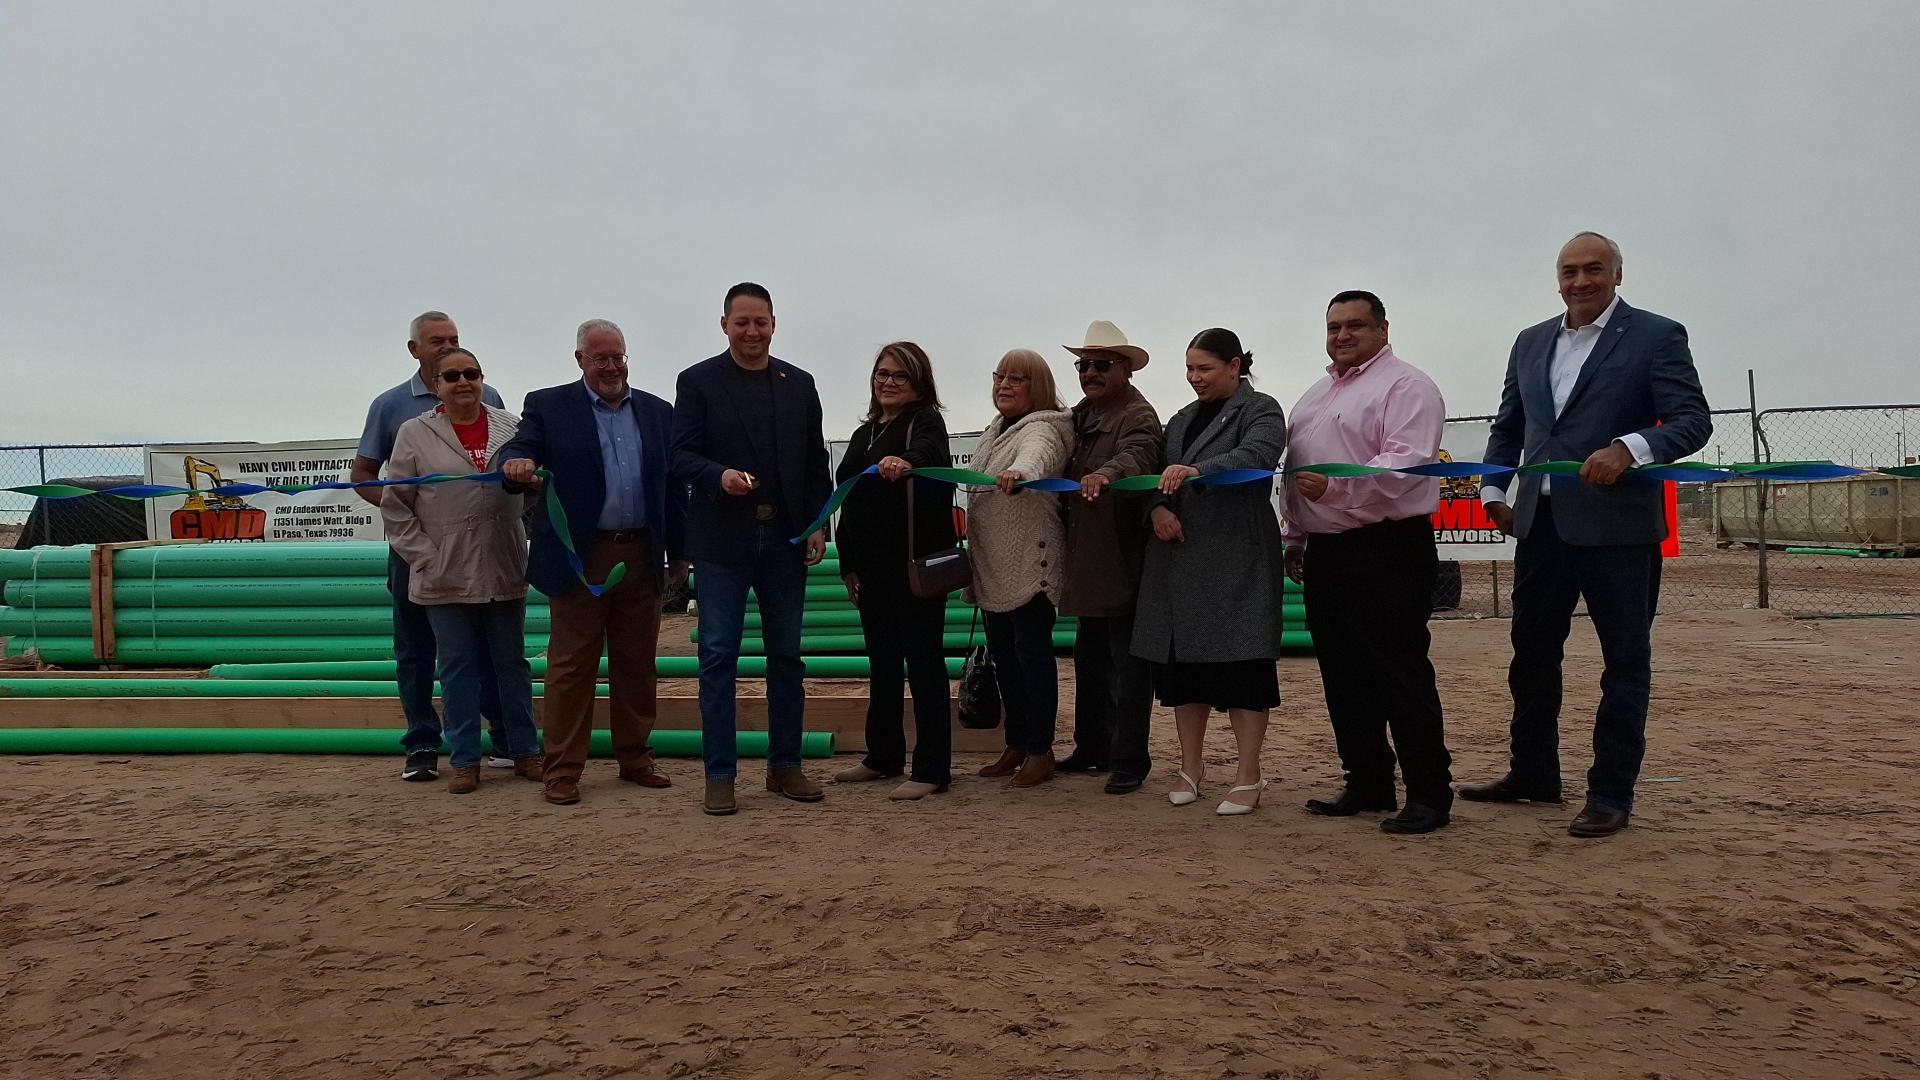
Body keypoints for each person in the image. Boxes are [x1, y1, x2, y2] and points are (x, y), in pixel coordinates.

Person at [1463, 232, 1711, 838]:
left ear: (1617, 275)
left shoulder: (1657, 335)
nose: (1581, 281)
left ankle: (1611, 793)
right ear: (1558, 279)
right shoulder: (1530, 342)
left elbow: (1692, 421)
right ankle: (1534, 774)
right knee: (1532, 656)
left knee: (1623, 661)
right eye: (1570, 271)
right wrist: (1495, 493)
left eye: (1594, 269)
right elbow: (1509, 426)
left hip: (1618, 529)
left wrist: (1630, 449)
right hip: (1541, 527)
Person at [1281, 292, 1454, 835]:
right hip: (1328, 548)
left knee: (1399, 670)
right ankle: (1368, 780)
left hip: (1388, 545)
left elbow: (1404, 465)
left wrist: (1335, 487)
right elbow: (1295, 471)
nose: (1342, 335)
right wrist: (1297, 533)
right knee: (1342, 672)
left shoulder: (1408, 387)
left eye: (1355, 325)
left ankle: (1429, 792)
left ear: (1383, 328)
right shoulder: (1315, 395)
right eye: (1334, 326)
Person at [499, 319, 688, 806]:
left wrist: (681, 554)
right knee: (570, 666)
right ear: (580, 359)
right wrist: (516, 464)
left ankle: (635, 758)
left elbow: (673, 490)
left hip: (642, 553)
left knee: (636, 663)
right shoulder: (548, 405)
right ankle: (561, 769)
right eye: (599, 357)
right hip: (580, 557)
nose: (610, 366)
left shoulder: (657, 412)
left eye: (617, 356)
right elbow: (521, 446)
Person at [669, 283, 834, 816]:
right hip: (722, 544)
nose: (752, 332)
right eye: (742, 322)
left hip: (784, 541)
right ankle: (720, 775)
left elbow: (815, 463)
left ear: (773, 324)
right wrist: (719, 477)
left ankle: (785, 767)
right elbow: (680, 456)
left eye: (760, 322)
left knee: (786, 657)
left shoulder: (799, 384)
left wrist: (817, 524)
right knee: (717, 658)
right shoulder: (696, 382)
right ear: (724, 325)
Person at [1132, 329, 1288, 815]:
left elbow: (1256, 457)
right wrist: (1158, 510)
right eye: (1189, 368)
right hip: (1179, 564)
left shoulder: (1262, 409)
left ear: (1235, 365)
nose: (1194, 378)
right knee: (1183, 673)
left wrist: (1197, 471)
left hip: (1237, 561)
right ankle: (1190, 767)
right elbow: (1155, 478)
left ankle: (1248, 775)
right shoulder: (1177, 420)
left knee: (1245, 668)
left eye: (1204, 368)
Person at [352, 311, 510, 782]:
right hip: (416, 549)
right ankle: (422, 743)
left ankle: (503, 736)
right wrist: (409, 514)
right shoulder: (390, 405)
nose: (447, 348)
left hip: (481, 549)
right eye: (437, 341)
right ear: (414, 349)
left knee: (486, 647)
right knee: (417, 646)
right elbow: (363, 475)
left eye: (456, 340)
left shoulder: (491, 397)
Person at [380, 349, 542, 794]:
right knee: (456, 666)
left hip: (502, 561)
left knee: (511, 664)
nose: (462, 383)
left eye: (471, 374)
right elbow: (396, 508)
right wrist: (426, 557)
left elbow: (531, 492)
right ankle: (466, 759)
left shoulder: (512, 427)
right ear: (436, 385)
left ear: (482, 378)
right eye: (451, 376)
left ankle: (526, 751)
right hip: (443, 571)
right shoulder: (414, 434)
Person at [831, 342, 957, 801]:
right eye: (882, 373)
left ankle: (932, 769)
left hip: (913, 567)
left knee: (924, 664)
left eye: (899, 376)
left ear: (919, 383)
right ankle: (882, 756)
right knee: (882, 665)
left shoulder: (925, 422)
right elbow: (846, 499)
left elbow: (927, 455)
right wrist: (848, 565)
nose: (887, 382)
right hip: (871, 571)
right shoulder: (864, 433)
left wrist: (906, 463)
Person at [1055, 321, 1163, 794]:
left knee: (1128, 665)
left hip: (1122, 557)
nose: (1090, 372)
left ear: (1126, 369)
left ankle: (1129, 760)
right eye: (1083, 364)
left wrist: (1106, 472)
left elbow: (1140, 455)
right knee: (1089, 658)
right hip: (1086, 556)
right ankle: (1092, 746)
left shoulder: (1137, 414)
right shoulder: (1078, 414)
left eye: (1101, 364)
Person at [967, 349, 1073, 788]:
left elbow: (1039, 454)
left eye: (1017, 379)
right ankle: (1016, 742)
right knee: (1006, 660)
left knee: (1032, 658)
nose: (1004, 386)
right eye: (999, 377)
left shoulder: (1046, 425)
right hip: (993, 565)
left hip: (1031, 561)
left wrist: (1019, 471)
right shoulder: (995, 429)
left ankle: (1040, 749)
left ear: (1039, 387)